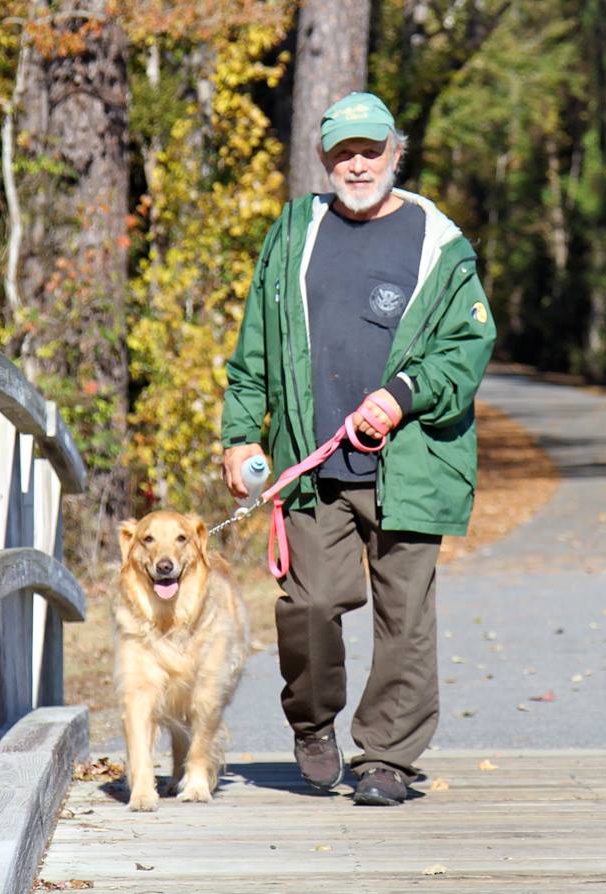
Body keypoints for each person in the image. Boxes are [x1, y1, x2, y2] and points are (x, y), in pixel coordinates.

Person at [220, 92, 497, 806]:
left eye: (370, 150)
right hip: (313, 464)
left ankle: (387, 758)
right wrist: (241, 435)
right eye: (343, 153)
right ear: (325, 160)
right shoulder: (294, 234)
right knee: (309, 606)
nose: (358, 165)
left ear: (395, 153)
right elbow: (254, 349)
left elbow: (467, 347)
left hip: (412, 461)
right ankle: (313, 724)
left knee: (404, 617)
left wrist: (402, 395)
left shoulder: (439, 244)